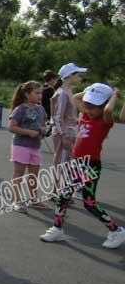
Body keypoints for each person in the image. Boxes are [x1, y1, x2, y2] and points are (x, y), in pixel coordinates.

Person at [41, 84, 124, 249]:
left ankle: (116, 230)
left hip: (90, 165)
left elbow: (108, 111)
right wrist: (90, 91)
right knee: (64, 195)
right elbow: (76, 98)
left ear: (103, 106)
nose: (89, 110)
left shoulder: (104, 121)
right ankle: (57, 228)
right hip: (77, 163)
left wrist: (114, 94)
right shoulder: (85, 115)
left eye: (94, 107)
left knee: (89, 202)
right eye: (88, 106)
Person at [8, 81, 48, 213]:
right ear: (26, 94)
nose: (40, 95)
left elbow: (43, 125)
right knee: (19, 174)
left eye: (41, 93)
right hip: (21, 146)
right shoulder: (20, 109)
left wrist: (43, 130)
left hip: (35, 146)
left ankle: (33, 199)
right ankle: (16, 200)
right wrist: (28, 132)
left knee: (34, 175)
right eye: (37, 93)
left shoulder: (41, 109)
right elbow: (12, 127)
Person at [51, 63, 86, 196]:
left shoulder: (68, 91)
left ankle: (61, 189)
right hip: (63, 132)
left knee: (66, 162)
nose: (79, 78)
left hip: (69, 131)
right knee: (61, 161)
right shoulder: (62, 93)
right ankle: (56, 191)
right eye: (78, 75)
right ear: (70, 76)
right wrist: (64, 135)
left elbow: (67, 115)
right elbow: (57, 117)